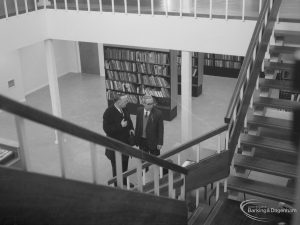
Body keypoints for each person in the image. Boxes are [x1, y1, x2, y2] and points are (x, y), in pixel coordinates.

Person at [103, 94, 134, 186]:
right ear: (118, 102)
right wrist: (120, 126)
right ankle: (117, 185)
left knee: (125, 163)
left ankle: (124, 180)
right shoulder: (108, 112)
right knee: (116, 167)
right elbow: (107, 129)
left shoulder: (124, 108)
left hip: (125, 144)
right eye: (125, 101)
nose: (127, 103)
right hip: (115, 146)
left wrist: (131, 128)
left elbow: (129, 120)